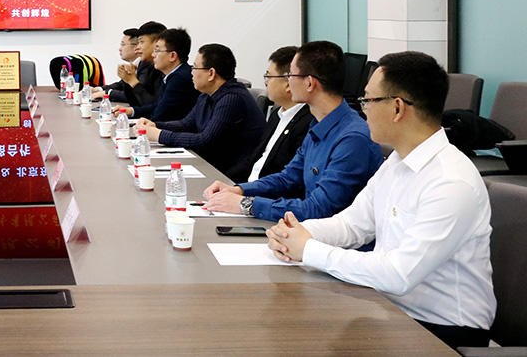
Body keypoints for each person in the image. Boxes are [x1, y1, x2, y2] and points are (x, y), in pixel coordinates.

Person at [266, 51, 495, 350]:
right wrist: (297, 233)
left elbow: (398, 274)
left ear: (397, 108)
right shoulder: (397, 161)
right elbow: (352, 225)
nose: (363, 111)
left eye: (368, 100)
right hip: (391, 308)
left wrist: (308, 249)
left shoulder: (451, 182)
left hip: (443, 331)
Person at [202, 40, 382, 220]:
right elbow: (288, 178)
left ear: (309, 83)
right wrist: (239, 190)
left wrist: (246, 204)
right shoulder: (319, 124)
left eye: (292, 75)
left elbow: (319, 209)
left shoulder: (352, 138)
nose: (288, 81)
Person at [134, 43, 266, 181]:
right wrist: (155, 126)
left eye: (195, 68)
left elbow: (205, 141)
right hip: (212, 166)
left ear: (211, 73)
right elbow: (186, 124)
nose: (191, 72)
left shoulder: (232, 99)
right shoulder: (207, 94)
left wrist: (160, 135)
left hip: (230, 176)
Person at [225, 46, 312, 188]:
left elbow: (290, 180)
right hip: (246, 188)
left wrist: (244, 193)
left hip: (264, 194)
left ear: (288, 82)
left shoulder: (307, 123)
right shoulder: (276, 115)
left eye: (269, 76)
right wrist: (223, 180)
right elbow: (254, 159)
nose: (266, 82)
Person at [125, 28, 199, 123]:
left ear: (172, 56)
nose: (153, 55)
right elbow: (157, 105)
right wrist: (131, 111)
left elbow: (159, 115)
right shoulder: (174, 75)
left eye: (157, 50)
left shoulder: (179, 79)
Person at [120, 21, 167, 106]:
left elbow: (154, 106)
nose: (137, 47)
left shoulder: (166, 71)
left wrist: (133, 81)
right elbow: (136, 103)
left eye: (141, 42)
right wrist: (128, 81)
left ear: (157, 43)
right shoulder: (150, 67)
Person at [90, 27, 140, 102]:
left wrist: (106, 93)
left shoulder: (146, 66)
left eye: (123, 44)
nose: (120, 49)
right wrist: (98, 89)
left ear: (136, 47)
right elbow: (121, 85)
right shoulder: (136, 64)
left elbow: (137, 96)